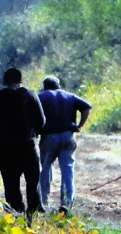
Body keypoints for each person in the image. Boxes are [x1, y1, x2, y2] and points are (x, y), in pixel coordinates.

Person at [0, 67, 46, 222]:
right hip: (27, 144)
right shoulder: (31, 95)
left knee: (11, 183)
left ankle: (16, 213)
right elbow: (42, 121)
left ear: (5, 81)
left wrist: (4, 131)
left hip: (5, 146)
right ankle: (32, 213)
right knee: (32, 181)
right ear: (21, 80)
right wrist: (33, 131)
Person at [37, 76, 92, 214]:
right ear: (58, 85)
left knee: (45, 168)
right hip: (68, 135)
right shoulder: (70, 96)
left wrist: (35, 129)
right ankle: (66, 203)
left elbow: (32, 113)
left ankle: (43, 201)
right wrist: (79, 125)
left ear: (45, 86)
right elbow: (86, 107)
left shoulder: (41, 97)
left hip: (49, 136)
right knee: (67, 169)